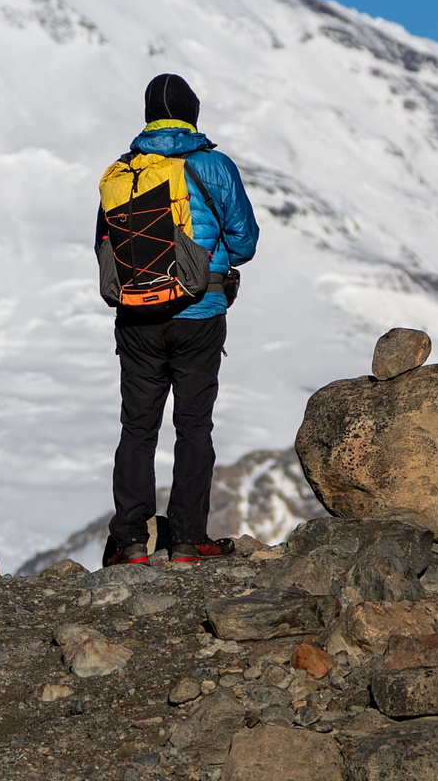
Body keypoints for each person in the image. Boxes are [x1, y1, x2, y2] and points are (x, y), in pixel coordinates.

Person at [94, 73, 259, 565]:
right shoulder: (214, 166)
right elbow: (245, 244)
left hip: (137, 317)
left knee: (137, 429)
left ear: (147, 116)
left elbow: (104, 244)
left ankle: (130, 544)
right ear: (193, 114)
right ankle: (187, 539)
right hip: (200, 313)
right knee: (193, 428)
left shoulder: (122, 174)